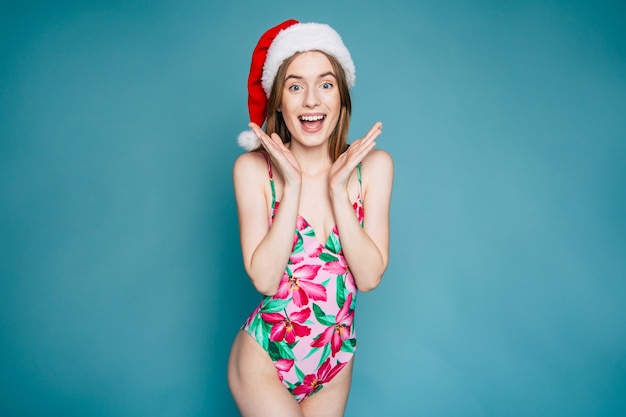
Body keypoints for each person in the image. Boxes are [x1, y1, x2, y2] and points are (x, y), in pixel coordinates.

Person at [227, 19, 394, 417]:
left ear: (342, 96)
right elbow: (265, 279)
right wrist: (295, 187)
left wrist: (337, 190)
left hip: (334, 363)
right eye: (295, 86)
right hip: (265, 357)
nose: (311, 101)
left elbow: (369, 277)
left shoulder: (372, 168)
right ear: (279, 101)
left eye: (326, 84)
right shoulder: (253, 171)